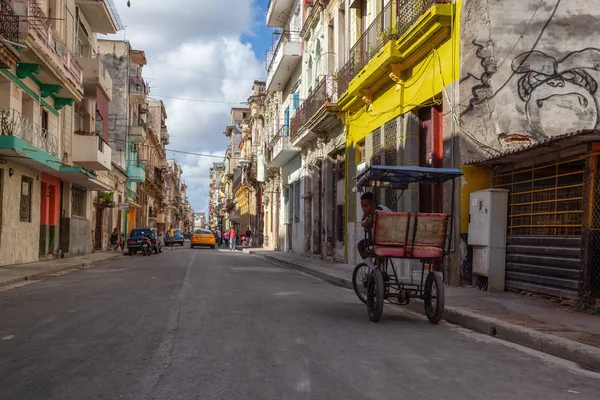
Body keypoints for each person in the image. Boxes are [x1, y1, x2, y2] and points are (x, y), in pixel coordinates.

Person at [357, 192, 391, 270]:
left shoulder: (372, 216)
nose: (364, 209)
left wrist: (365, 214)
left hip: (380, 242)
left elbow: (363, 224)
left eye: (366, 206)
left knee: (360, 246)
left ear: (374, 204)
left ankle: (374, 269)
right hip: (392, 242)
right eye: (362, 207)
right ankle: (381, 271)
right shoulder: (384, 208)